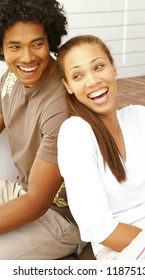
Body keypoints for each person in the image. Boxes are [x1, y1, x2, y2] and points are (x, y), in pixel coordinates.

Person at [57, 34, 145, 260]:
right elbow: (100, 228)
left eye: (99, 67)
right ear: (68, 86)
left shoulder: (140, 117)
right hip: (122, 253)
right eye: (78, 75)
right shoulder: (76, 133)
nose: (92, 81)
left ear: (113, 68)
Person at [0, 0, 85, 260]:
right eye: (15, 46)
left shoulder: (61, 103)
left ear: (50, 40)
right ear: (2, 48)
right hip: (19, 190)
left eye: (37, 44)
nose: (27, 57)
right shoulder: (13, 74)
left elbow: (37, 202)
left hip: (59, 218)